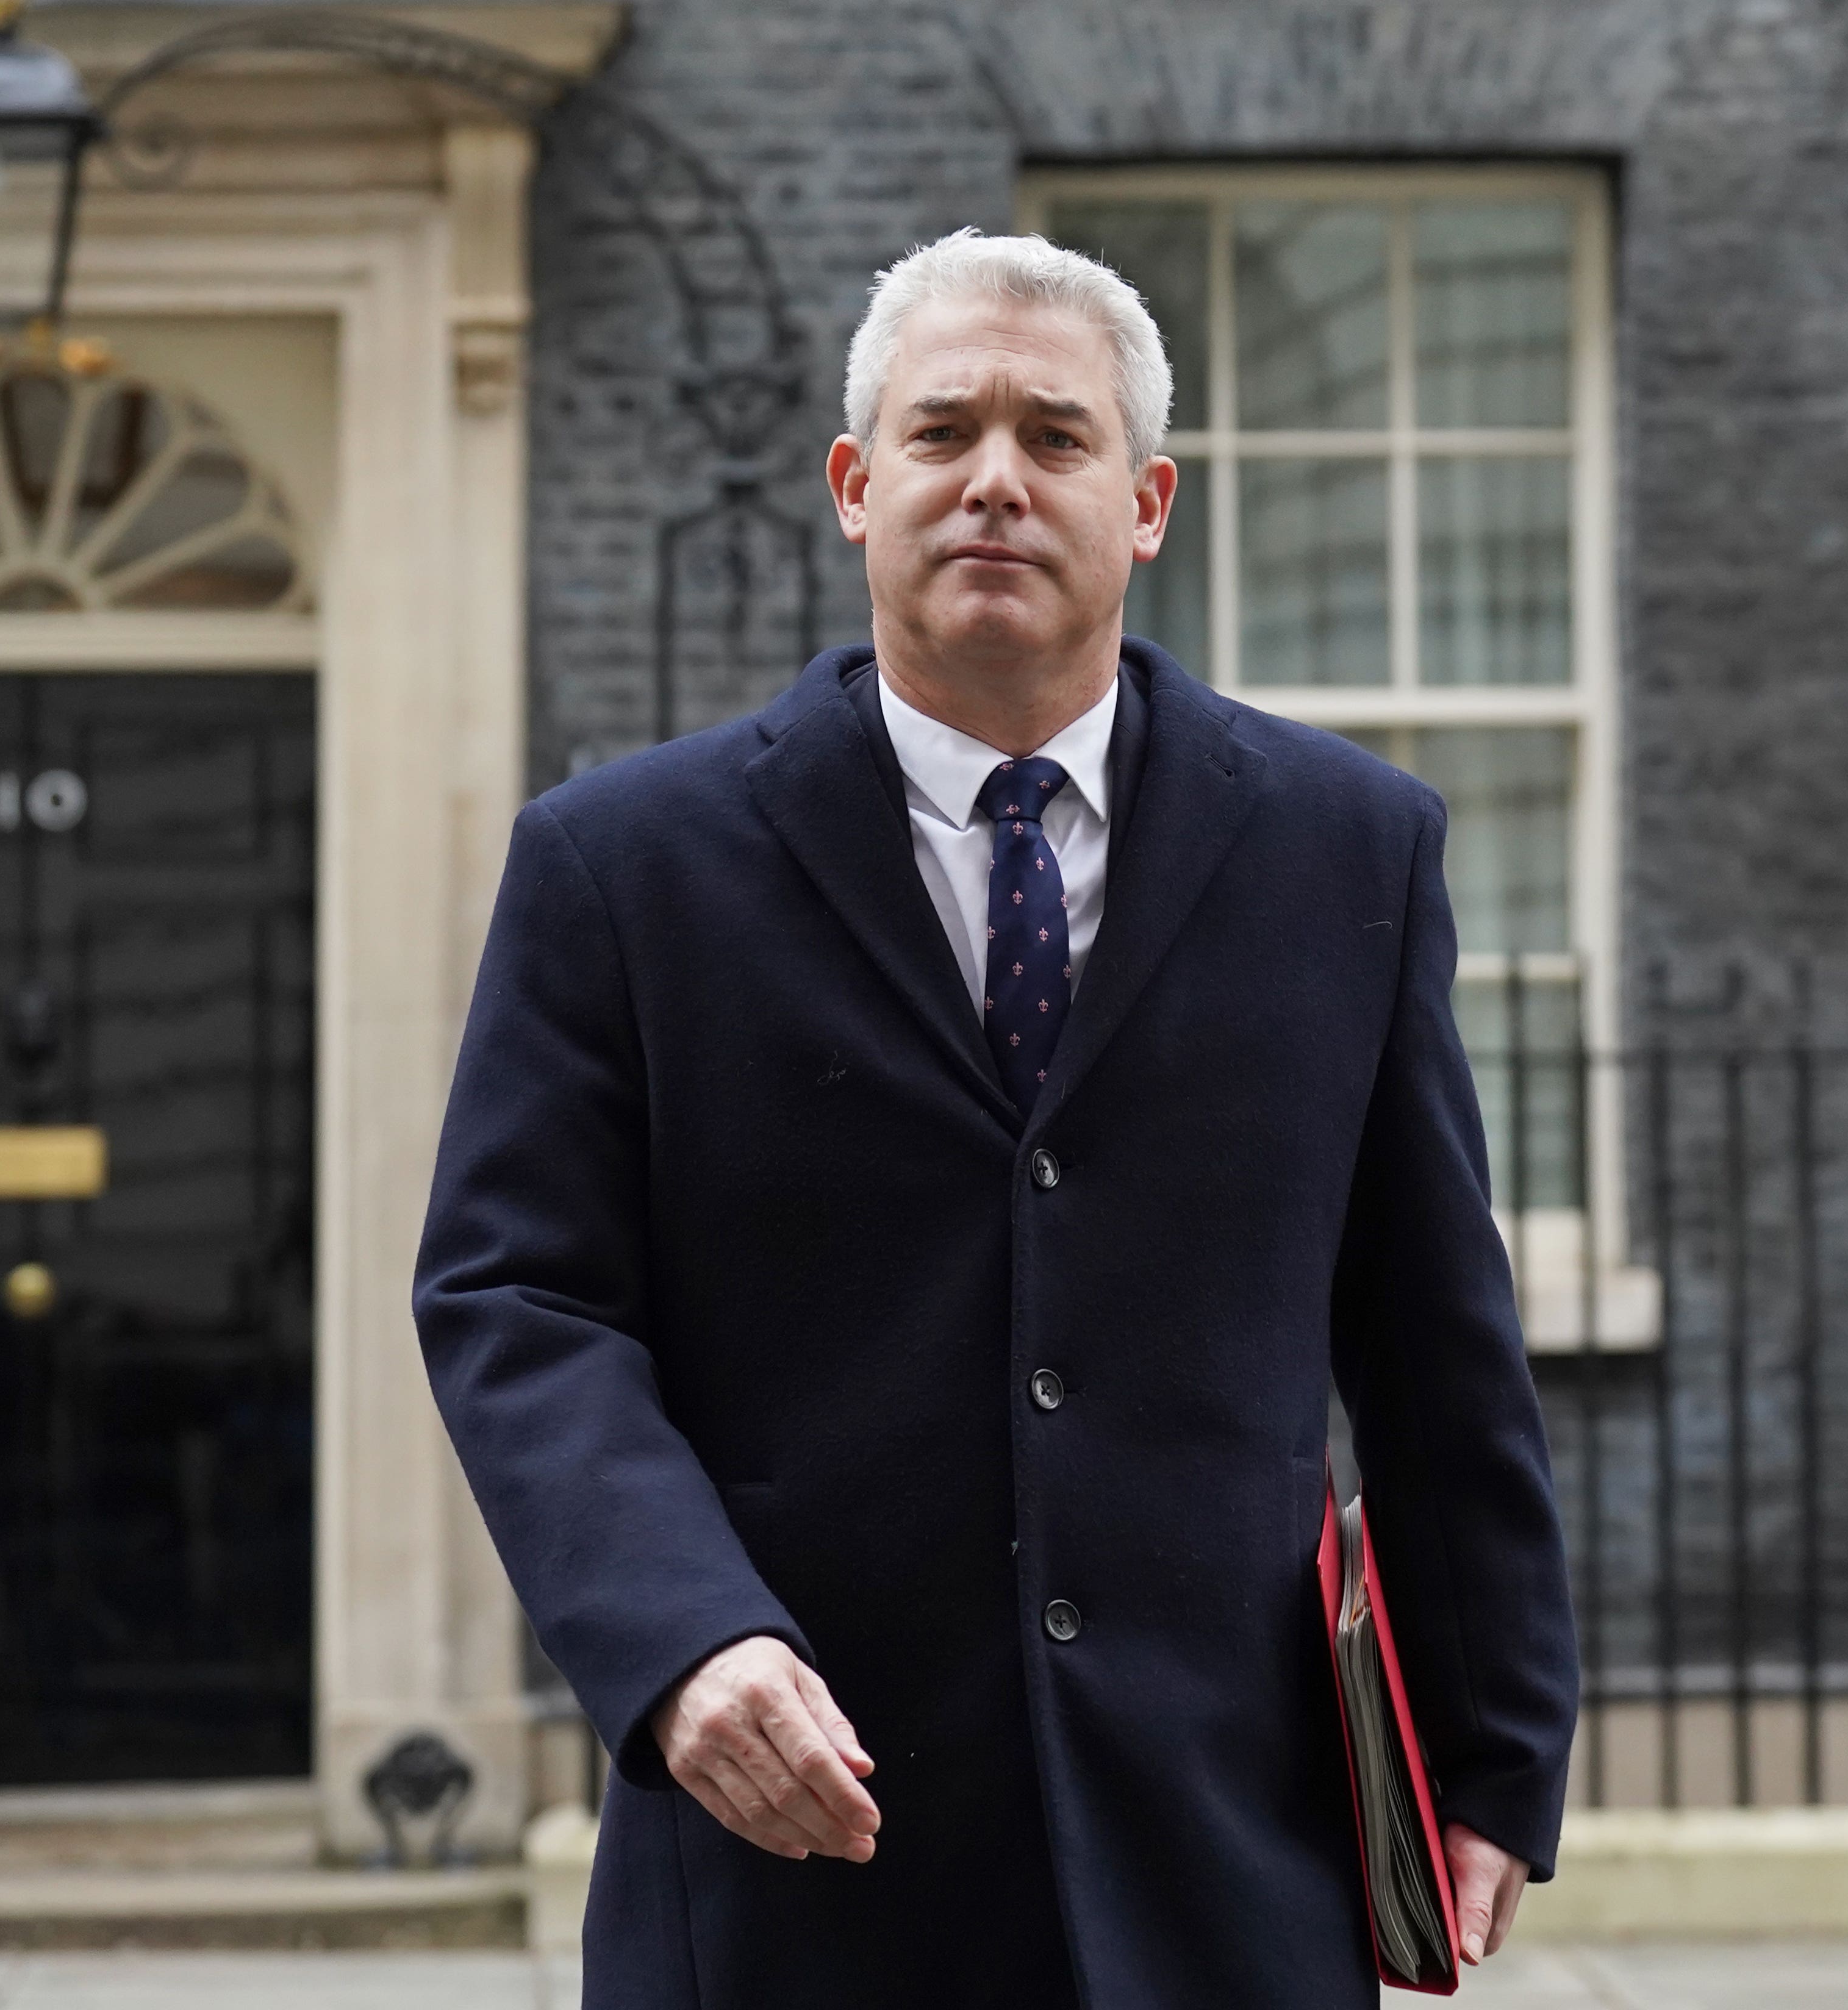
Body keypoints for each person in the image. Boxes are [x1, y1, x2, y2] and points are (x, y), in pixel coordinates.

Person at [414, 227, 1577, 2008]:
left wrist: (1493, 1746)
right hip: (797, 1856)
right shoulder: (619, 866)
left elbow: (1435, 1332)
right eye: (944, 433)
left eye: (1056, 437)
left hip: (1224, 1854)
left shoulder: (1352, 851)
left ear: (1151, 502)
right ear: (854, 485)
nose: (996, 485)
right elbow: (521, 1301)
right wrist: (680, 1638)